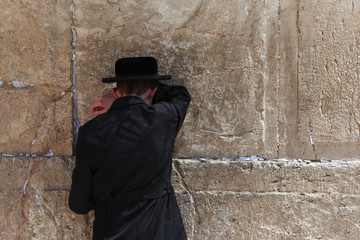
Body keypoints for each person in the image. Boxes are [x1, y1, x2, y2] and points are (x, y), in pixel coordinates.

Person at [69, 57, 191, 240]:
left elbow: (79, 204)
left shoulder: (90, 132)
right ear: (153, 92)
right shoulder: (163, 119)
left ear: (115, 91)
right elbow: (180, 94)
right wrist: (122, 102)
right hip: (162, 232)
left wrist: (120, 104)